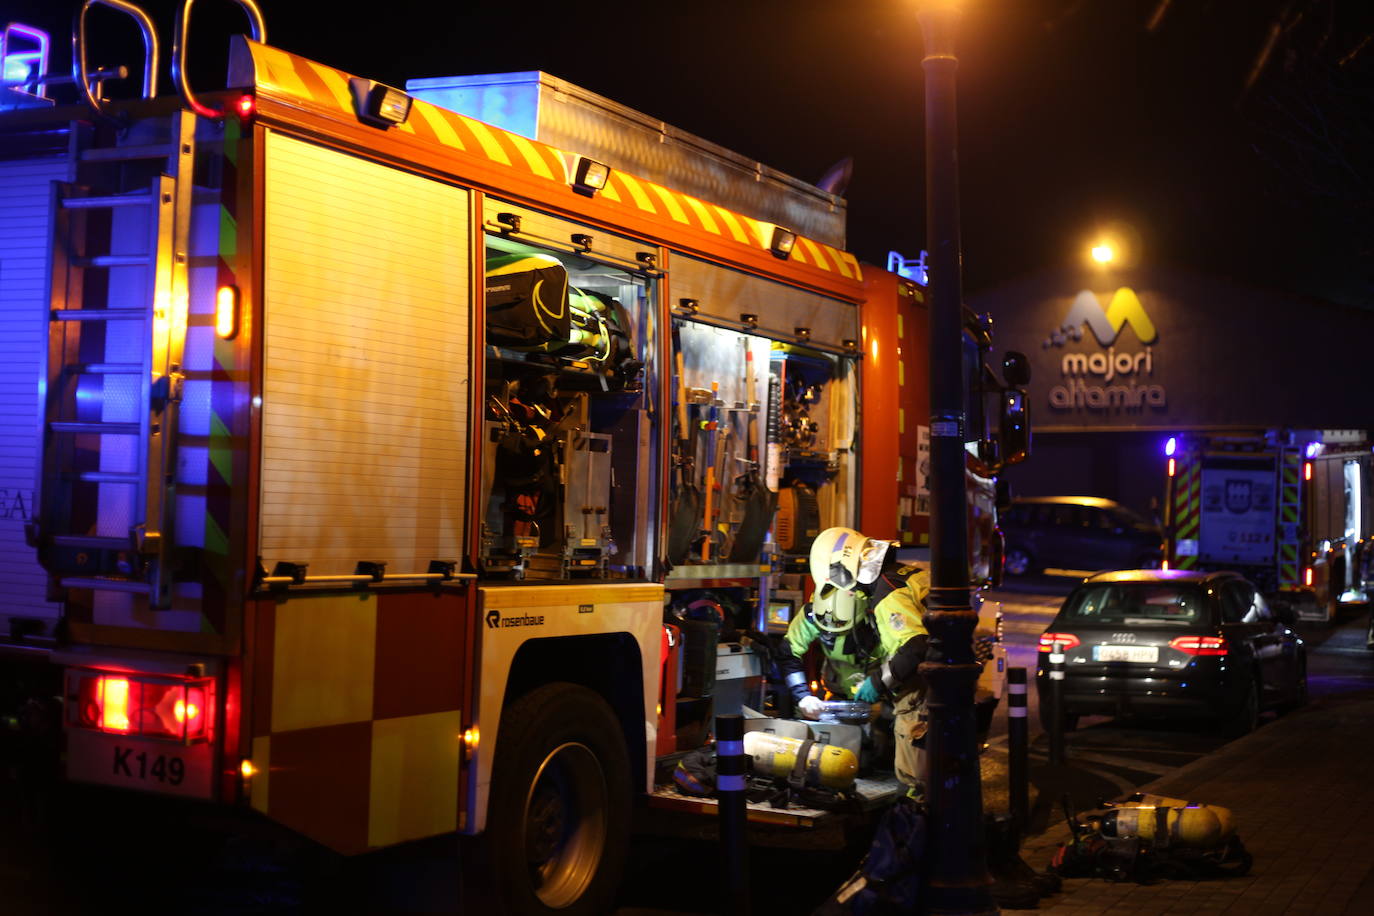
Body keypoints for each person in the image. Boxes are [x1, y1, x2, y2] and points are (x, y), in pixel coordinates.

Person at [777, 526, 931, 799]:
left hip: (898, 692)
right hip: (848, 700)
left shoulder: (884, 598)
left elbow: (912, 648)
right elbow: (789, 652)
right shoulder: (817, 610)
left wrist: (876, 685)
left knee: (912, 766)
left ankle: (915, 818)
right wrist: (802, 696)